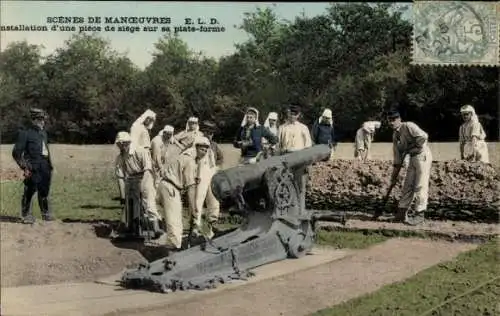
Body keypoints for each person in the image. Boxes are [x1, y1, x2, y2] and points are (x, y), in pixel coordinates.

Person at [156, 136, 211, 250]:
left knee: (175, 221)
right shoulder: (189, 161)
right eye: (202, 149)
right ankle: (173, 250)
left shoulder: (186, 157)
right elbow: (191, 189)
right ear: (196, 147)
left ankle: (174, 245)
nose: (204, 152)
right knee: (175, 223)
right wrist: (194, 208)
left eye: (206, 150)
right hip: (171, 187)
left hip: (167, 186)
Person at [387, 110, 432, 226]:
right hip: (412, 157)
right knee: (408, 185)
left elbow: (424, 137)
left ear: (399, 119)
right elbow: (397, 160)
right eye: (389, 120)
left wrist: (411, 147)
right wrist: (393, 177)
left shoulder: (409, 126)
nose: (392, 122)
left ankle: (419, 214)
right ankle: (401, 213)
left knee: (420, 185)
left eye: (394, 119)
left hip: (422, 156)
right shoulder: (395, 136)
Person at [114, 131, 163, 234]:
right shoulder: (120, 157)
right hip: (131, 179)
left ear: (125, 143)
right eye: (118, 144)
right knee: (131, 204)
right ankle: (133, 228)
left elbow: (148, 170)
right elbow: (120, 177)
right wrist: (123, 196)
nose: (119, 146)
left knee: (148, 203)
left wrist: (142, 186)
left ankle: (156, 228)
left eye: (120, 144)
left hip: (146, 177)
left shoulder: (140, 151)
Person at [12, 108, 54, 224]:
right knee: (30, 190)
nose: (43, 122)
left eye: (43, 119)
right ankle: (26, 215)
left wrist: (49, 166)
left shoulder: (44, 133)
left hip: (45, 165)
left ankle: (46, 213)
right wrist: (25, 167)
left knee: (44, 190)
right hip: (32, 167)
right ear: (33, 120)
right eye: (40, 119)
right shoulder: (24, 133)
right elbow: (16, 153)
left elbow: (45, 150)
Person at [278, 104, 313, 211]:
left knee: (300, 186)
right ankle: (287, 210)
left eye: (295, 114)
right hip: (286, 159)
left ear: (298, 115)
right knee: (285, 185)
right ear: (288, 114)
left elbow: (308, 147)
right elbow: (278, 146)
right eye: (290, 114)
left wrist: (308, 164)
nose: (292, 116)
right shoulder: (282, 127)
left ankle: (301, 210)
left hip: (300, 159)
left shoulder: (303, 128)